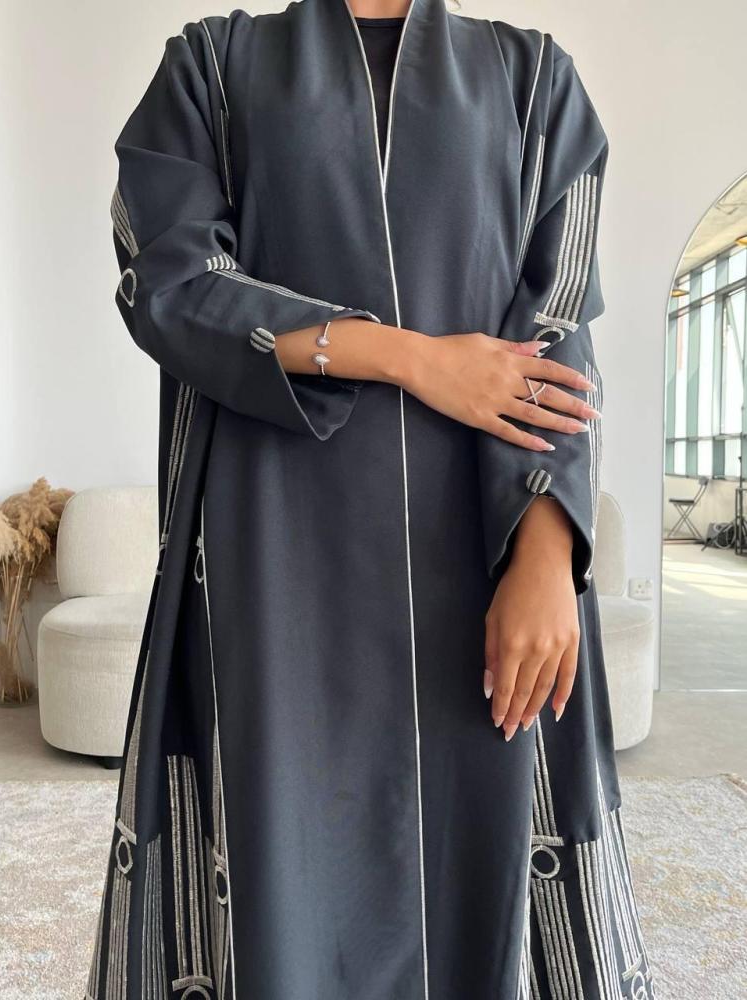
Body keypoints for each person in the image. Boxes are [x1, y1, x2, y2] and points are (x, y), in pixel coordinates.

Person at [87, 0, 658, 997]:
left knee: (488, 868)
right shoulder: (213, 68)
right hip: (273, 553)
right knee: (282, 873)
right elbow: (168, 282)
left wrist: (544, 548)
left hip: (482, 542)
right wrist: (413, 359)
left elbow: (558, 331)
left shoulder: (533, 81)